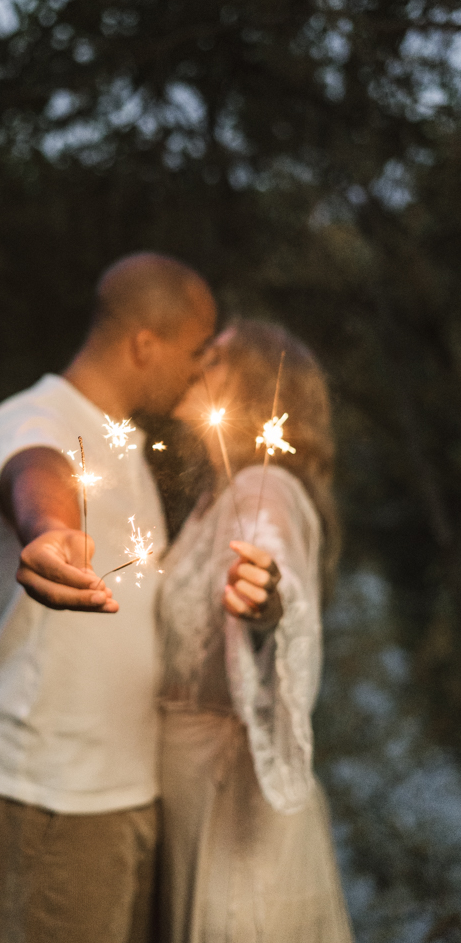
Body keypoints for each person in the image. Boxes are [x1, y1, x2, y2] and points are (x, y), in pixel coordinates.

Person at [0, 254, 281, 943]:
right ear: (143, 344)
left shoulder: (124, 444)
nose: (198, 371)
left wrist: (257, 606)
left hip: (123, 787)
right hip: (50, 794)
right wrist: (51, 531)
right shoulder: (31, 417)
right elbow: (36, 469)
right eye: (194, 352)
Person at [158, 319, 354, 943]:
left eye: (213, 358)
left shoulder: (262, 489)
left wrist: (268, 606)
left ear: (256, 390)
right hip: (190, 795)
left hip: (233, 811)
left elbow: (278, 575)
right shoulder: (214, 497)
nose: (194, 364)